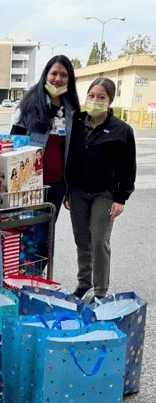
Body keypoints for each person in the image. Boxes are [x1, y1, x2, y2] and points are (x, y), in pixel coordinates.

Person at [64, 77, 136, 301]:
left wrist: (121, 198)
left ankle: (100, 290)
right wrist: (67, 189)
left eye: (101, 97)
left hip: (104, 194)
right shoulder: (76, 122)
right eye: (92, 96)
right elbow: (69, 158)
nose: (95, 100)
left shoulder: (121, 130)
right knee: (82, 240)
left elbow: (128, 168)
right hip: (77, 192)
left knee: (98, 241)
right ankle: (84, 282)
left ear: (110, 100)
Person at [10, 55, 80, 267]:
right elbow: (13, 142)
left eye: (63, 75)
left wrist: (69, 188)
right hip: (30, 184)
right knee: (27, 233)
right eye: (54, 73)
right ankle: (20, 278)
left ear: (69, 79)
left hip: (57, 185)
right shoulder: (30, 103)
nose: (58, 79)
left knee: (45, 236)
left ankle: (38, 280)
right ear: (46, 75)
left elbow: (73, 150)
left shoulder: (72, 108)